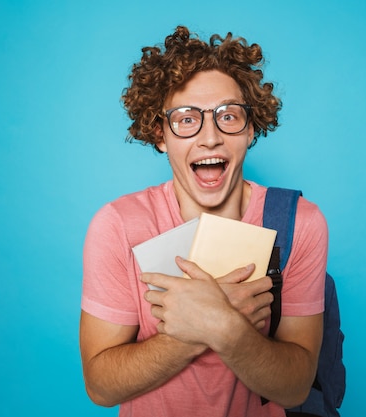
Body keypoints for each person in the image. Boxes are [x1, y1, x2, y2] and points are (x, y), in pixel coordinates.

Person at [80, 25, 328, 417]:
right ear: (161, 134)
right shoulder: (118, 225)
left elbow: (296, 388)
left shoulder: (300, 223)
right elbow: (100, 386)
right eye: (185, 119)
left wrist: (225, 327)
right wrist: (203, 326)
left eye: (228, 116)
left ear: (250, 129)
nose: (209, 137)